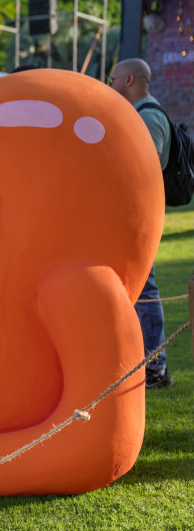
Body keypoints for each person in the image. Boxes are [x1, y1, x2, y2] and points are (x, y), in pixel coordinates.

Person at [109, 58, 174, 389]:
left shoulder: (148, 118)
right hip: (132, 216)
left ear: (129, 79)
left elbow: (137, 171)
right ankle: (146, 361)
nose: (110, 84)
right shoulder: (140, 116)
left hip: (139, 218)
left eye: (113, 78)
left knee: (144, 289)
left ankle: (156, 367)